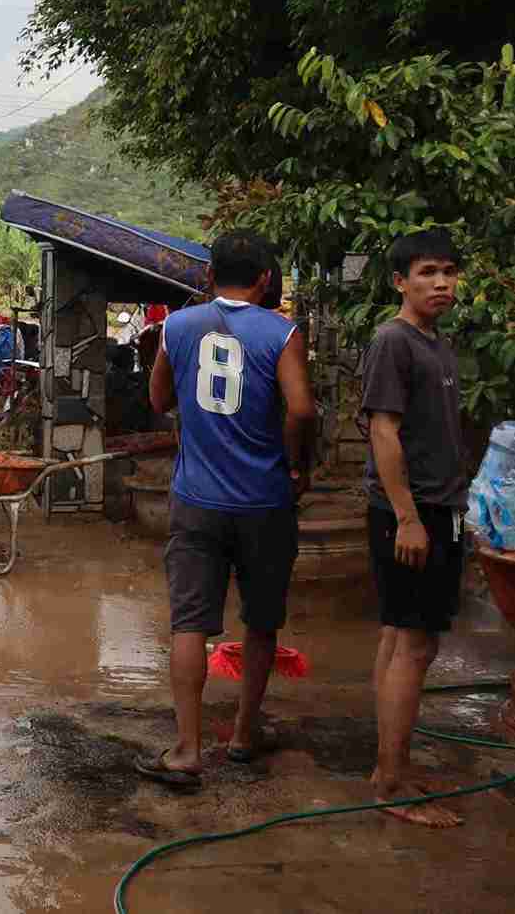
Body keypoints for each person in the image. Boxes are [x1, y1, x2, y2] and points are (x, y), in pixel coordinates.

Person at [139, 230, 315, 790]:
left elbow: (158, 400)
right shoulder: (282, 331)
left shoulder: (179, 325)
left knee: (189, 622)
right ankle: (243, 734)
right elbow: (303, 410)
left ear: (209, 276)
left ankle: (187, 749)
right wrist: (297, 466)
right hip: (265, 501)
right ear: (266, 279)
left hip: (197, 501)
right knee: (261, 620)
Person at [360, 228, 468, 827]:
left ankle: (388, 768)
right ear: (400, 281)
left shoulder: (435, 343)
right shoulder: (393, 341)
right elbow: (383, 432)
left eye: (449, 271)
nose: (442, 282)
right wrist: (408, 518)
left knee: (399, 637)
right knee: (416, 645)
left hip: (434, 509)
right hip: (413, 513)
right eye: (428, 272)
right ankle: (394, 783)